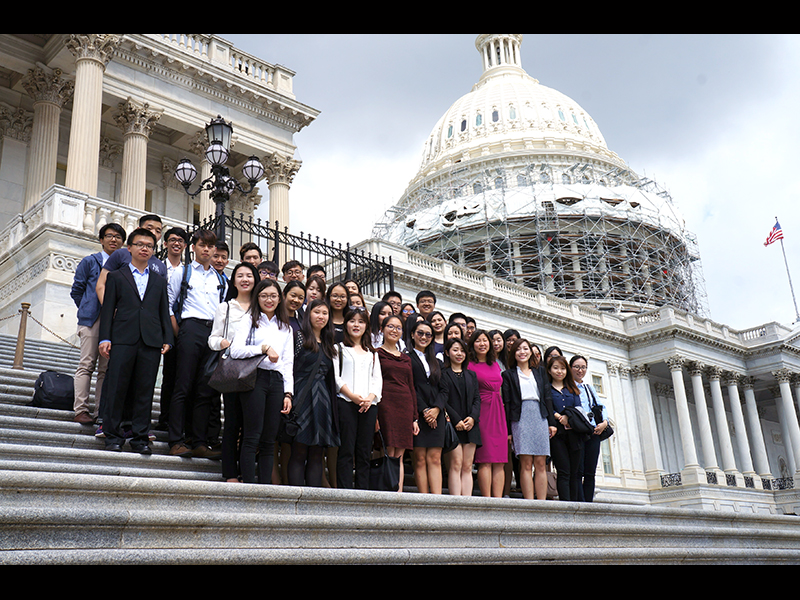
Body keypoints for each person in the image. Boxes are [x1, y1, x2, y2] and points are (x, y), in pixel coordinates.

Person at [98, 228, 172, 454]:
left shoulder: (158, 280)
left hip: (150, 341)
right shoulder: (116, 277)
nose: (145, 248)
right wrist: (105, 338)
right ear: (128, 248)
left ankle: (140, 438)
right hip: (122, 339)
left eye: (149, 246)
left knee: (145, 390)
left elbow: (163, 311)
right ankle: (112, 435)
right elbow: (108, 309)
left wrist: (167, 337)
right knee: (117, 388)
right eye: (140, 244)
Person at [166, 229, 227, 458]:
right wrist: (179, 332)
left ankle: (200, 441)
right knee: (182, 386)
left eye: (211, 246)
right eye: (202, 244)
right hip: (189, 328)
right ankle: (176, 440)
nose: (207, 249)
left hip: (213, 332)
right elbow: (169, 305)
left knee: (204, 389)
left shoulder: (221, 279)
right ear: (194, 247)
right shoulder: (183, 273)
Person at [229, 278, 294, 484]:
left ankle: (265, 488)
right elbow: (235, 350)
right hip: (254, 379)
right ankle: (248, 486)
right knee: (251, 436)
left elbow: (287, 363)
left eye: (273, 296)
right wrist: (263, 348)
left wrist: (288, 393)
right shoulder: (250, 319)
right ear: (257, 297)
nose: (269, 300)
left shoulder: (286, 327)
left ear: (279, 298)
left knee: (269, 439)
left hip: (276, 381)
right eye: (264, 295)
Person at [208, 261, 259, 482]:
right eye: (240, 275)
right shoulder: (225, 308)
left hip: (258, 370)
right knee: (232, 423)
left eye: (249, 275)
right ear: (234, 280)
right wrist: (223, 343)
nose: (245, 279)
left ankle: (248, 469)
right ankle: (230, 473)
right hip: (234, 371)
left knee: (252, 425)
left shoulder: (262, 306)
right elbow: (212, 339)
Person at [70, 222, 126, 425]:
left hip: (115, 322)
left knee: (106, 368)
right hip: (92, 319)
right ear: (101, 240)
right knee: (87, 364)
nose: (114, 239)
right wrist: (86, 308)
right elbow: (77, 290)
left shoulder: (125, 265)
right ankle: (81, 409)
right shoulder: (91, 261)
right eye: (109, 236)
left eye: (118, 237)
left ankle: (100, 411)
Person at [287, 298, 340, 487]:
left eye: (325, 313)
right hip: (301, 396)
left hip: (323, 401)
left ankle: (313, 499)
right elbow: (289, 367)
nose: (321, 317)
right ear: (308, 313)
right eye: (317, 312)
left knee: (318, 453)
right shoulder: (299, 336)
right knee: (299, 450)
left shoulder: (329, 344)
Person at [334, 307, 382, 490]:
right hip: (346, 403)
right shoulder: (338, 349)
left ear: (366, 326)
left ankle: (363, 491)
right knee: (346, 449)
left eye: (361, 322)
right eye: (352, 321)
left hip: (369, 406)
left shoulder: (373, 354)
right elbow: (337, 378)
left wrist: (369, 398)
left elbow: (377, 381)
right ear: (346, 324)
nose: (356, 325)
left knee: (364, 451)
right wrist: (352, 396)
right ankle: (345, 491)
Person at [502, 339, 556, 500]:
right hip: (520, 417)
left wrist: (551, 423)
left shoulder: (540, 372)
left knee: (541, 462)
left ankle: (541, 501)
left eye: (525, 348)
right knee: (525, 463)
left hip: (540, 416)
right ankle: (529, 501)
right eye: (518, 349)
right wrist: (509, 430)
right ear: (513, 353)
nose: (522, 352)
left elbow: (547, 398)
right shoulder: (508, 375)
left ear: (531, 352)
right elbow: (507, 402)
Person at [376, 314, 418, 492]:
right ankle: (385, 491)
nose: (394, 330)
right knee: (387, 450)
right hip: (385, 404)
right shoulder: (376, 354)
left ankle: (398, 493)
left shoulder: (406, 358)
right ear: (382, 329)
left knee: (399, 454)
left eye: (398, 328)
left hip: (405, 406)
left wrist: (414, 418)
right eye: (390, 327)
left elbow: (411, 387)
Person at [408, 318, 445, 494]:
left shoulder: (437, 361)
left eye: (428, 334)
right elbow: (411, 386)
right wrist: (424, 411)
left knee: (435, 458)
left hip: (437, 414)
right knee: (420, 458)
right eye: (420, 333)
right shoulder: (407, 358)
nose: (424, 337)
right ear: (412, 335)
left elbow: (444, 389)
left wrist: (437, 409)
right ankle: (424, 498)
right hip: (418, 412)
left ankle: (437, 498)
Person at [468, 329, 507, 498]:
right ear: (472, 344)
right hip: (482, 411)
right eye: (478, 341)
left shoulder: (496, 364)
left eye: (485, 340)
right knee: (485, 458)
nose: (482, 344)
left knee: (499, 460)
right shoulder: (469, 364)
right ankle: (487, 500)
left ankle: (498, 500)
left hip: (498, 410)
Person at [440, 337, 481, 496]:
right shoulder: (443, 374)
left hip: (471, 423)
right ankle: (456, 501)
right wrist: (456, 419)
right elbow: (444, 399)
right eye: (455, 350)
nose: (459, 354)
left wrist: (472, 418)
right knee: (456, 464)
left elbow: (477, 398)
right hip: (454, 423)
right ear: (447, 353)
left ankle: (467, 502)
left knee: (467, 465)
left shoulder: (471, 375)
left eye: (462, 351)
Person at [156, 227, 187, 432]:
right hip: (153, 323)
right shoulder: (156, 267)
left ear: (185, 246)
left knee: (172, 375)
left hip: (177, 326)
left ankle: (167, 418)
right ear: (165, 243)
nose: (177, 243)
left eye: (181, 240)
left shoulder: (187, 271)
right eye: (173, 240)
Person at [570, 355, 610, 502]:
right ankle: (580, 502)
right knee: (578, 470)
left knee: (590, 471)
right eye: (577, 367)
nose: (580, 370)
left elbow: (600, 406)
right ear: (570, 368)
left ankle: (588, 502)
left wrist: (605, 422)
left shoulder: (589, 388)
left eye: (583, 367)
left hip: (594, 431)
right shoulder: (568, 388)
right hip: (578, 432)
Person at [548, 354, 584, 502]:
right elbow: (547, 407)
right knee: (563, 471)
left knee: (575, 473)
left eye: (563, 368)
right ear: (549, 370)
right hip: (557, 435)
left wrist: (568, 417)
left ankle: (575, 505)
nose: (559, 371)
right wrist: (558, 417)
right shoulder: (547, 389)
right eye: (555, 368)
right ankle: (565, 504)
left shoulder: (572, 389)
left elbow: (579, 409)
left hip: (574, 434)